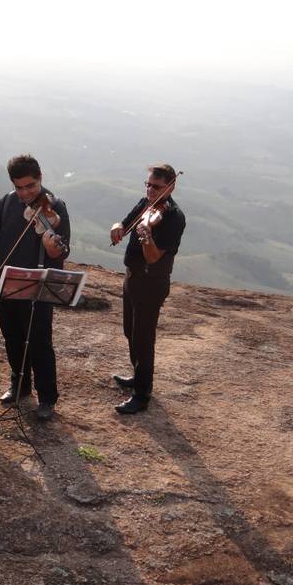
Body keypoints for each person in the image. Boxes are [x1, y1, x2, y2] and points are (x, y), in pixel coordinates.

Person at [0, 154, 70, 421]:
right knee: (12, 337)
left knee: (40, 341)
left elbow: (60, 252)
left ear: (40, 178)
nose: (25, 193)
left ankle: (47, 397)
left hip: (38, 287)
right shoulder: (7, 202)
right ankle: (19, 385)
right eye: (19, 187)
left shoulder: (56, 207)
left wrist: (53, 246)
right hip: (8, 282)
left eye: (30, 186)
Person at [109, 164, 186, 414]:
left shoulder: (174, 217)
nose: (150, 190)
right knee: (130, 331)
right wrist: (118, 227)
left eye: (156, 186)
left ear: (171, 187)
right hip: (132, 277)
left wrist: (145, 236)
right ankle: (137, 374)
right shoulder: (145, 203)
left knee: (144, 337)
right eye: (148, 184)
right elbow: (124, 221)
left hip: (151, 283)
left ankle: (142, 394)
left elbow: (153, 257)